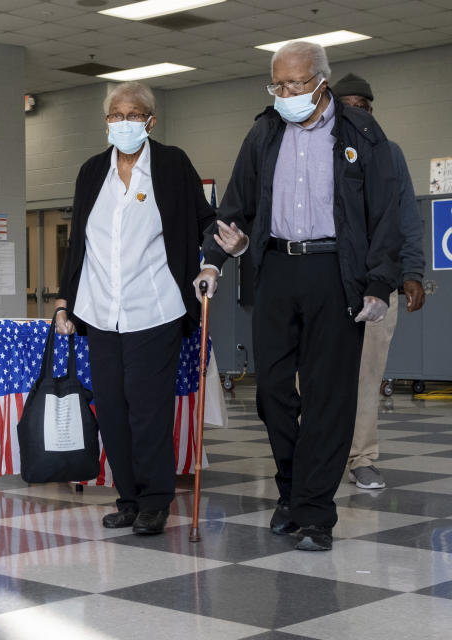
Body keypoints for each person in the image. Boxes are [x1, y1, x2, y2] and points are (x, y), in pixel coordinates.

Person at [193, 42, 402, 551]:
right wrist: (212, 261)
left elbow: (386, 217)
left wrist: (379, 282)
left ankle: (314, 512)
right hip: (277, 269)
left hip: (336, 271)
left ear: (321, 82)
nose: (286, 94)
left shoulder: (363, 135)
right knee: (273, 395)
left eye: (295, 85)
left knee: (330, 398)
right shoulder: (264, 132)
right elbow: (236, 204)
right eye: (278, 85)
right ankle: (291, 488)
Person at [53, 81, 216, 535]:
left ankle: (156, 500)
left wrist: (217, 258)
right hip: (100, 309)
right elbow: (78, 243)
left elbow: (203, 222)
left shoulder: (170, 164)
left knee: (148, 410)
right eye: (115, 115)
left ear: (150, 120)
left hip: (154, 308)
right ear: (106, 122)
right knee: (113, 408)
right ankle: (128, 497)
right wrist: (66, 300)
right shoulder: (91, 172)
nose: (124, 122)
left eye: (134, 114)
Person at [331, 73, 426, 490]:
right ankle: (310, 455)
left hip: (376, 283)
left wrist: (412, 272)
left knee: (368, 376)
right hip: (325, 283)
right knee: (311, 377)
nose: (356, 114)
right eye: (347, 106)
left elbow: (407, 216)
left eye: (363, 107)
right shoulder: (319, 152)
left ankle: (362, 457)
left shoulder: (390, 154)